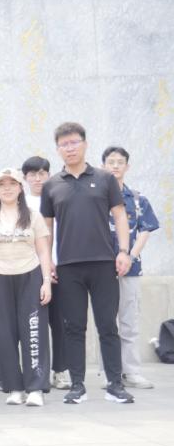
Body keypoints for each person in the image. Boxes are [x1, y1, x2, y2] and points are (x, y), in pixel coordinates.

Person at [40, 122, 133, 404]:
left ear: (85, 144)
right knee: (73, 327)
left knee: (108, 326)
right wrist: (48, 261)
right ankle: (77, 385)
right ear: (58, 149)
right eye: (64, 144)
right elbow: (46, 227)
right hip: (68, 266)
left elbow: (120, 215)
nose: (69, 148)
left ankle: (115, 385)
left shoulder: (105, 179)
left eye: (74, 142)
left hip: (104, 263)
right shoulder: (52, 185)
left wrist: (124, 251)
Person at [0, 168, 52, 406]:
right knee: (3, 335)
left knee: (33, 332)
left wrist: (46, 282)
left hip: (30, 276)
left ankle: (35, 388)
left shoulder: (33, 216)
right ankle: (15, 388)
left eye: (12, 183)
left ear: (21, 188)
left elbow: (43, 251)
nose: (7, 188)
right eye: (2, 184)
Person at [101, 146, 159, 389]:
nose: (115, 166)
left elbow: (145, 230)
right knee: (106, 323)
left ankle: (132, 372)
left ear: (127, 166)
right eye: (111, 162)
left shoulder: (137, 199)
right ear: (103, 166)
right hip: (102, 270)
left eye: (120, 162)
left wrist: (130, 257)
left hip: (130, 269)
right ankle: (109, 373)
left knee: (129, 322)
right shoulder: (96, 198)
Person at [22, 155, 70, 390]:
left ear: (49, 175)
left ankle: (60, 370)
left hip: (59, 269)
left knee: (60, 323)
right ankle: (37, 371)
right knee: (34, 325)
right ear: (25, 178)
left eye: (42, 173)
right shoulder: (21, 203)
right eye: (32, 174)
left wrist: (55, 263)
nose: (38, 178)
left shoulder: (59, 198)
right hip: (30, 271)